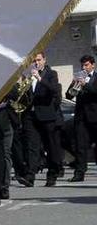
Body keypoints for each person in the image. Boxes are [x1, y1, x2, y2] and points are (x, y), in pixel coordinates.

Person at [19, 52, 64, 187]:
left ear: (44, 60)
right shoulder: (28, 75)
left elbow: (55, 90)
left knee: (50, 146)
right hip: (31, 116)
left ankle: (52, 174)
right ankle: (30, 176)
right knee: (32, 147)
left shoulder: (51, 74)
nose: (36, 63)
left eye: (38, 60)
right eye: (34, 61)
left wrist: (40, 78)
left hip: (47, 116)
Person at [66, 54, 97, 182]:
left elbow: (95, 91)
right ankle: (79, 173)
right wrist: (74, 84)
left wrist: (85, 84)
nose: (84, 68)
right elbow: (68, 96)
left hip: (95, 117)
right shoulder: (79, 78)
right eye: (83, 65)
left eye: (86, 65)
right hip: (81, 117)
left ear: (93, 65)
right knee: (80, 146)